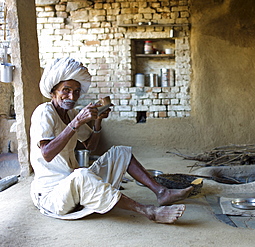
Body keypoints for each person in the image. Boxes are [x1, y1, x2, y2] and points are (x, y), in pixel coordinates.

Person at [30, 57, 193, 223]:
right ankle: (150, 211)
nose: (72, 96)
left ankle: (162, 192)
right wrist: (77, 122)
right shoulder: (44, 112)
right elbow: (47, 153)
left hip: (73, 184)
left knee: (120, 152)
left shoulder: (70, 114)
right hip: (52, 196)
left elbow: (91, 147)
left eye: (77, 91)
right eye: (66, 90)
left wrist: (98, 120)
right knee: (82, 174)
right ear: (53, 92)